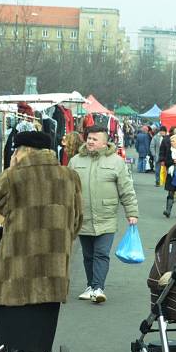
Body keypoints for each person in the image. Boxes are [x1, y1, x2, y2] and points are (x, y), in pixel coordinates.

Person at [0, 131, 82, 352]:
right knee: (43, 322)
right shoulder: (69, 177)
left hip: (17, 264)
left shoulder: (14, 177)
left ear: (23, 150)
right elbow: (77, 221)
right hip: (53, 265)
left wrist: (13, 168)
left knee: (11, 321)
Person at [69, 126, 139, 304]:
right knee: (88, 255)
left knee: (101, 253)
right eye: (89, 138)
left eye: (94, 139)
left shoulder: (116, 162)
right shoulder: (76, 161)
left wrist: (131, 212)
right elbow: (68, 189)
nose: (90, 141)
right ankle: (91, 286)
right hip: (83, 216)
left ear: (104, 142)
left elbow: (126, 189)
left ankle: (98, 287)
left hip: (107, 216)